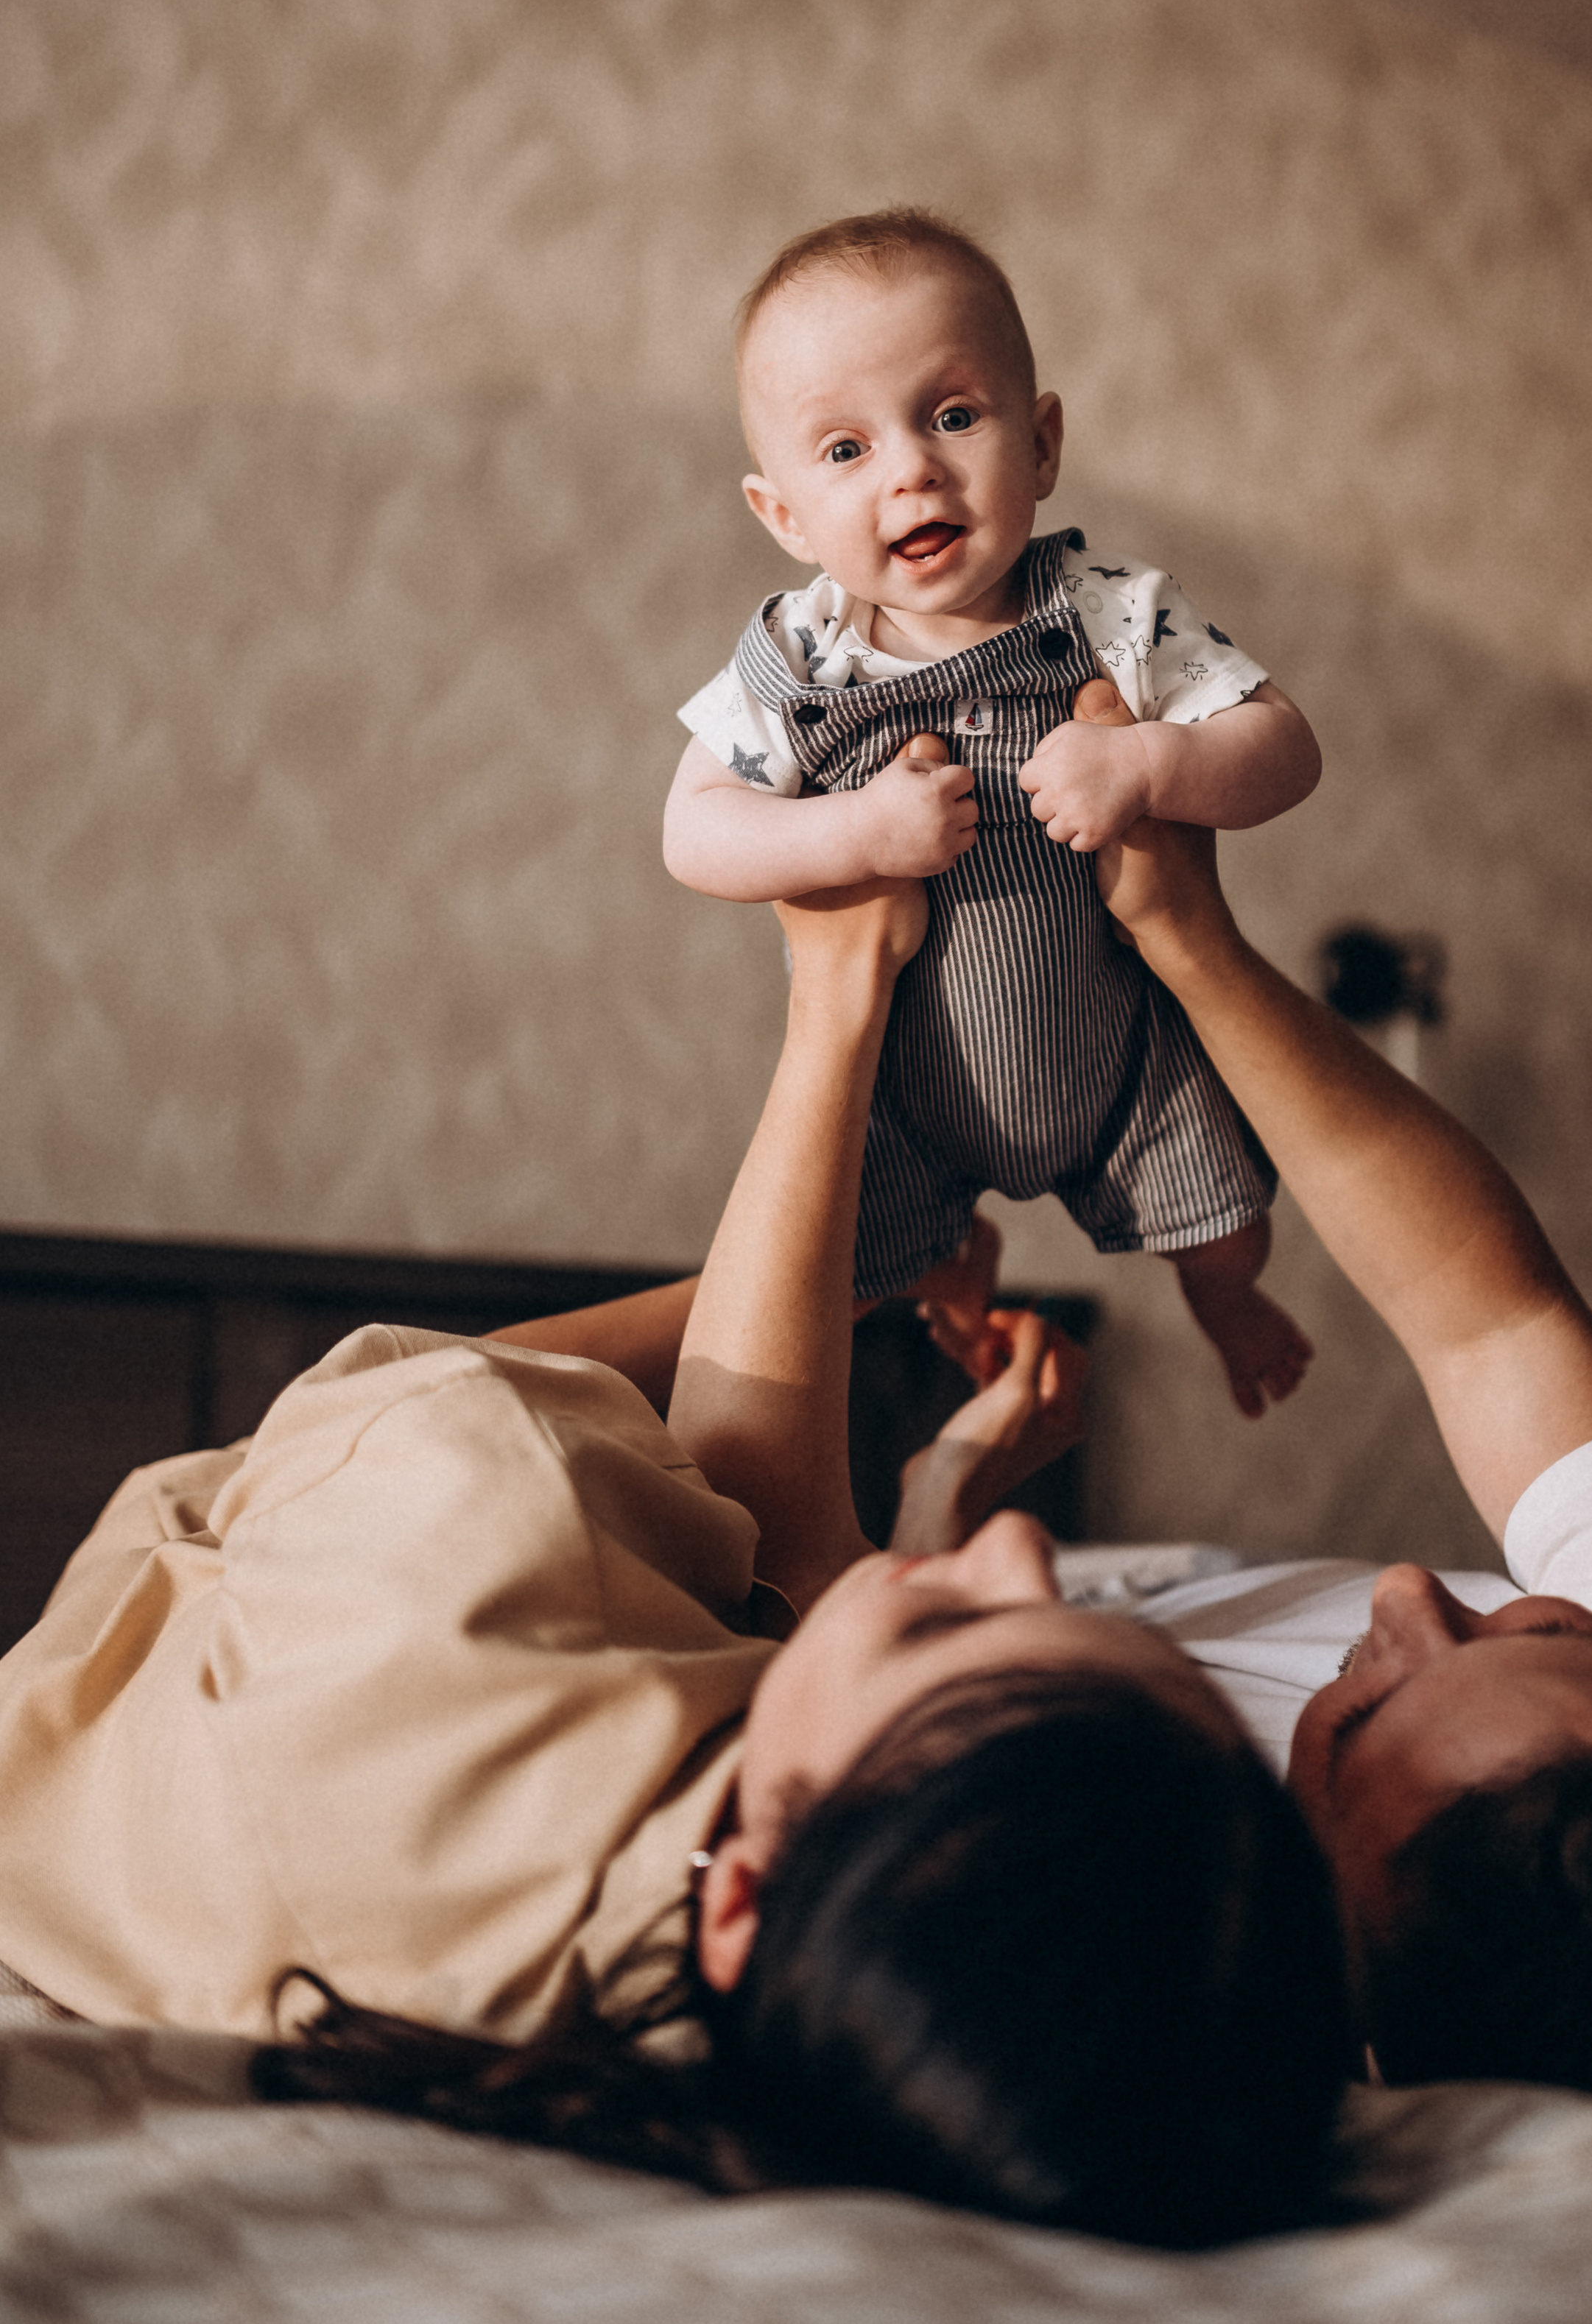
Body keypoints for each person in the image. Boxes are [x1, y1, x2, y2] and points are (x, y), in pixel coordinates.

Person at [0, 878, 1350, 2250]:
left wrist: (841, 1038)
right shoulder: (812, 2005)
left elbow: (441, 1418)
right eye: (1053, 1608)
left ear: (754, 1894)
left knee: (732, 1519)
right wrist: (939, 1489)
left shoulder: (470, 1542)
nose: (1023, 1549)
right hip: (305, 1726)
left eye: (949, 1631)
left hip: (170, 1599)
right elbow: (831, 1674)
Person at [1070, 757, 1592, 2152]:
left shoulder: (1161, 1953)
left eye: (1368, 1718)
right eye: (1555, 1632)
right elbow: (1496, 1324)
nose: (1405, 1591)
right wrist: (1196, 947)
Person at [664, 205, 1322, 1419]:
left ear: (1043, 442)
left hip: (1120, 1055)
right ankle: (957, 1292)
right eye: (845, 449)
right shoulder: (802, 656)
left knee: (1230, 1225)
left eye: (953, 417)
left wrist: (1151, 771)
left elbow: (1284, 746)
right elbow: (694, 830)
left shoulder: (1116, 613)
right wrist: (850, 834)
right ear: (784, 516)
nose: (912, 467)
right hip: (905, 1088)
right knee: (839, 1271)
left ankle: (1225, 1304)